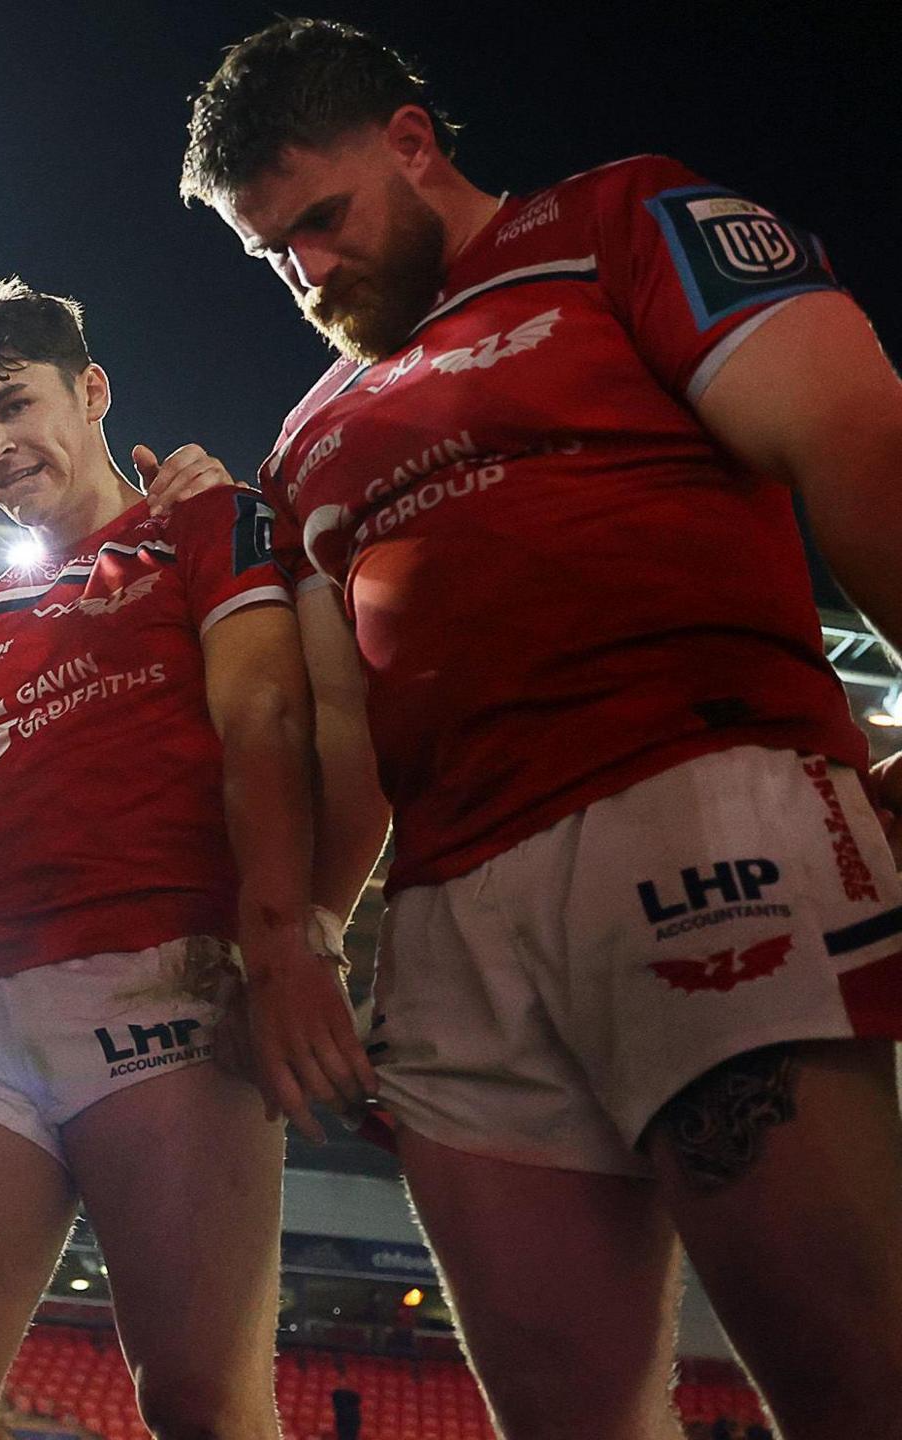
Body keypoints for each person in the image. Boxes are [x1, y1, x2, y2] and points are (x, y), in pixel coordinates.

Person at [180, 17, 902, 1439]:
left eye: (322, 221)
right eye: (275, 255)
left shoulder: (621, 220)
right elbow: (340, 719)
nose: (309, 272)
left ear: (411, 140)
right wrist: (300, 936)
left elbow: (855, 430)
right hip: (452, 920)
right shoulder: (307, 433)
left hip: (697, 811)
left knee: (855, 1383)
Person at [0, 279, 368, 1440]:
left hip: (170, 984)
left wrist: (298, 937)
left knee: (200, 1403)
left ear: (91, 391)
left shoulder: (208, 521)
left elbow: (274, 723)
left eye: (12, 405)